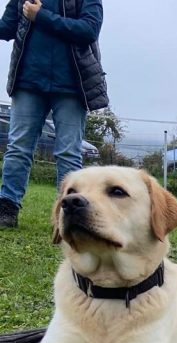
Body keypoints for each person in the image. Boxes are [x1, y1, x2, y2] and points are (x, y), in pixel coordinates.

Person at [0, 0, 107, 228]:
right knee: (18, 147)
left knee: (68, 153)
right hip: (27, 82)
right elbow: (6, 27)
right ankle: (7, 208)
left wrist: (41, 16)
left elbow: (88, 30)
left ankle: (67, 216)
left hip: (72, 85)